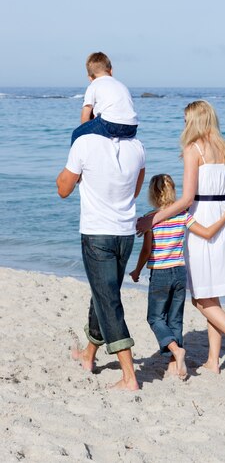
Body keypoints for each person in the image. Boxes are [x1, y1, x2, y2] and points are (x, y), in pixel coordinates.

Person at [136, 100, 225, 374]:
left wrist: (152, 218)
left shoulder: (194, 149)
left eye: (185, 120)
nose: (184, 125)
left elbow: (187, 198)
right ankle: (213, 361)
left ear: (194, 121)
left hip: (204, 218)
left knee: (200, 298)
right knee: (212, 294)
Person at [56, 130, 146, 390]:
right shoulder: (137, 146)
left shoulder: (83, 143)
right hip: (125, 233)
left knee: (108, 299)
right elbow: (136, 191)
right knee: (104, 292)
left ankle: (129, 376)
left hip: (97, 233)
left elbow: (63, 190)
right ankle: (88, 355)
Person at [129, 173, 225, 379]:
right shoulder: (183, 216)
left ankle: (177, 351)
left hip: (160, 273)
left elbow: (146, 251)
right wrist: (224, 217)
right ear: (174, 192)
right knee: (175, 319)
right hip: (179, 272)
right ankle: (174, 365)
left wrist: (137, 270)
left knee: (155, 318)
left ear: (152, 194)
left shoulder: (151, 219)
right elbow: (206, 233)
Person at [71, 51, 138, 145]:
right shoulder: (121, 85)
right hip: (132, 127)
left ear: (89, 78)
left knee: (77, 133)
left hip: (110, 124)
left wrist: (85, 132)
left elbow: (85, 116)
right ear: (111, 71)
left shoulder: (93, 86)